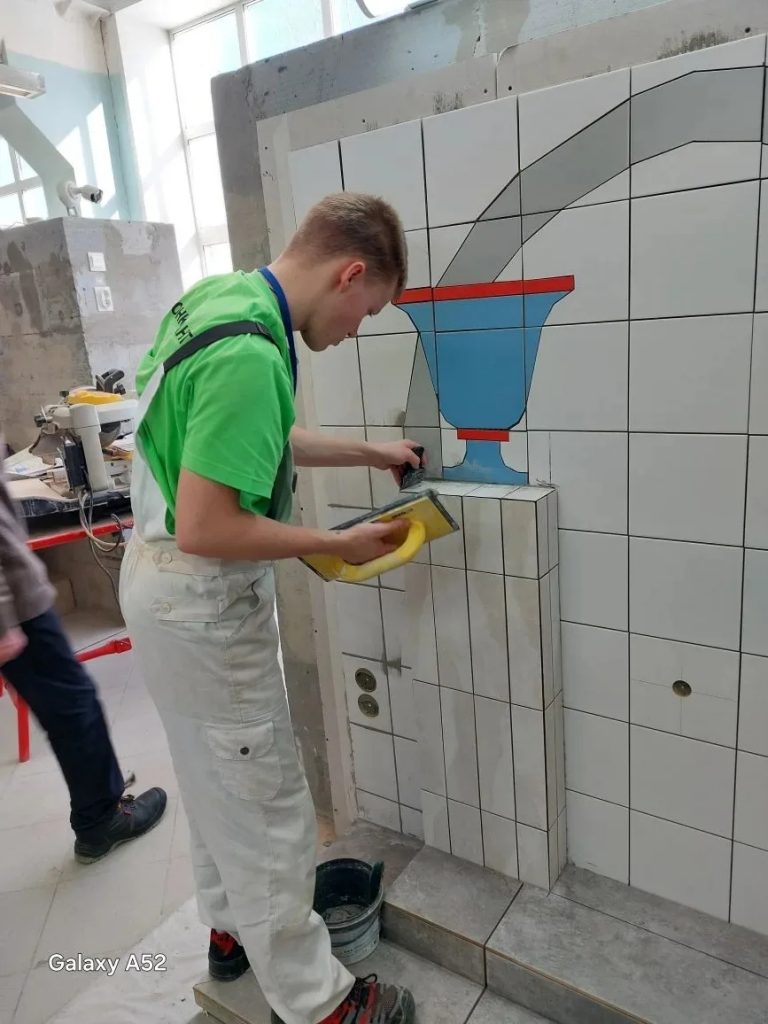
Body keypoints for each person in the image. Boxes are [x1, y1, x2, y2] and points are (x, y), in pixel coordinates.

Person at [119, 193, 419, 1024]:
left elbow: (241, 440)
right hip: (203, 601)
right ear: (349, 273)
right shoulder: (253, 353)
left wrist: (369, 450)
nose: (355, 331)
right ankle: (320, 1003)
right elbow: (211, 524)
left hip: (156, 588)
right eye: (368, 311)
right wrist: (333, 543)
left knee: (212, 777)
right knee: (265, 802)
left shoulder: (222, 302)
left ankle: (229, 934)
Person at [0, 441, 167, 862]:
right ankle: (100, 821)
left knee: (67, 705)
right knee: (74, 707)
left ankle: (100, 804)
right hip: (16, 607)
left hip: (17, 601)